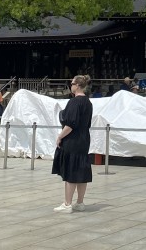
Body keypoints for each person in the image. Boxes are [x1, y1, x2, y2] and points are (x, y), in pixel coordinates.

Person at [52, 74, 93, 213]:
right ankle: (80, 202)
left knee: (70, 171)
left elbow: (70, 125)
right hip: (84, 139)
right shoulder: (88, 102)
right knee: (81, 169)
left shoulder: (74, 102)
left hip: (73, 140)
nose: (71, 85)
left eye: (72, 83)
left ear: (78, 85)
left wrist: (59, 136)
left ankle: (67, 204)